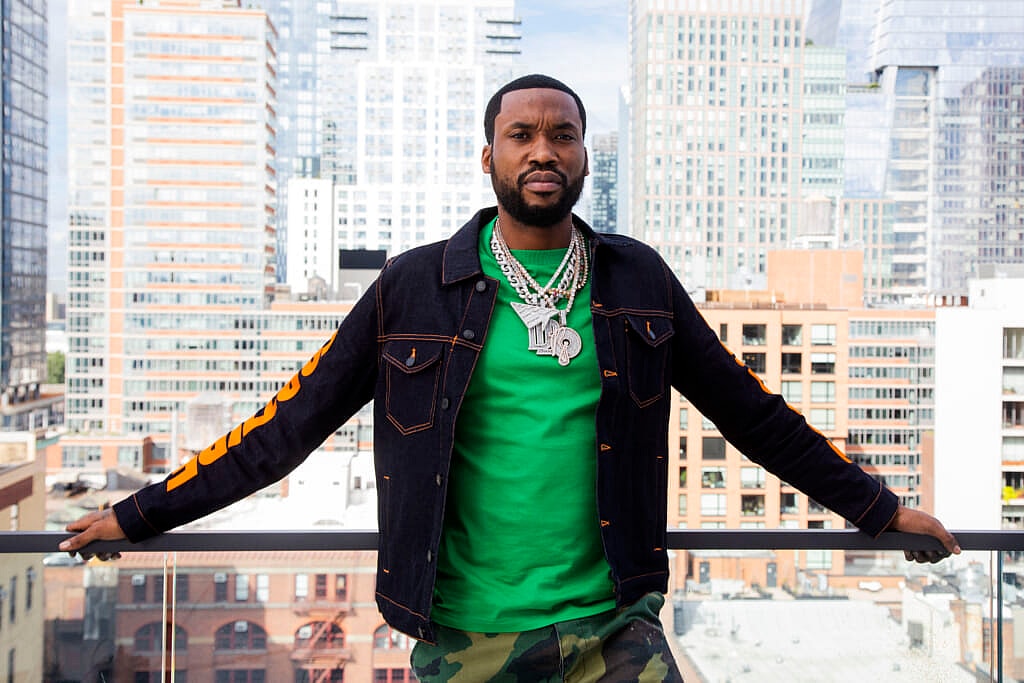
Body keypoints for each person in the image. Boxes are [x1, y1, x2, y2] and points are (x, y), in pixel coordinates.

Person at [61, 74, 960, 682]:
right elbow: (286, 426)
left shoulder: (636, 279)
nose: (543, 149)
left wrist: (882, 510)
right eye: (520, 134)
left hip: (615, 626)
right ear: (487, 157)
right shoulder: (413, 285)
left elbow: (752, 413)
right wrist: (137, 514)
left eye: (562, 135)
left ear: (583, 157)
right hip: (465, 635)